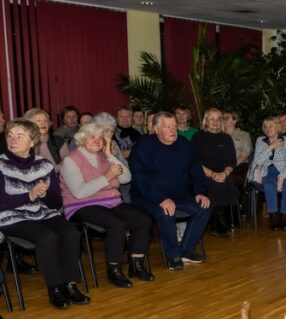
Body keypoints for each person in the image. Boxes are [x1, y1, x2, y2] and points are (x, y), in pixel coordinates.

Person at [0, 119, 89, 310]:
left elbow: (56, 203)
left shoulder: (44, 165)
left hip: (41, 213)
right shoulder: (1, 164)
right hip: (10, 216)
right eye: (10, 135)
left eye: (19, 136)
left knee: (71, 232)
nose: (12, 140)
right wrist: (29, 195)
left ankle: (69, 284)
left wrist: (45, 193)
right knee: (46, 237)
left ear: (32, 142)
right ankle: (55, 288)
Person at [60, 123, 154, 288]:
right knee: (117, 225)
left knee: (143, 220)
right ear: (82, 140)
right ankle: (114, 270)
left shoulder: (104, 156)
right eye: (92, 137)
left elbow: (126, 179)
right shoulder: (71, 160)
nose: (97, 141)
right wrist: (107, 176)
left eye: (100, 138)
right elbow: (79, 193)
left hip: (110, 201)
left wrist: (110, 155)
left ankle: (136, 264)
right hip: (81, 205)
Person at [129, 112, 211, 270]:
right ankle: (173, 256)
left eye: (174, 127)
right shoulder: (143, 146)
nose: (173, 130)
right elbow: (141, 179)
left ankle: (186, 250)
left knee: (204, 206)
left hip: (179, 195)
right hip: (148, 197)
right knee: (166, 211)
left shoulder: (184, 144)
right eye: (167, 127)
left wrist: (200, 192)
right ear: (156, 129)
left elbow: (196, 172)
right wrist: (160, 198)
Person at [191, 108, 238, 236]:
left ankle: (219, 220)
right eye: (211, 118)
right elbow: (194, 163)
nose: (215, 121)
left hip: (223, 173)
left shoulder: (226, 138)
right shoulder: (198, 137)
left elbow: (232, 161)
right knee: (215, 184)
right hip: (204, 173)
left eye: (218, 118)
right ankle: (220, 222)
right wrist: (212, 174)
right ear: (205, 121)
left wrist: (225, 173)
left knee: (229, 181)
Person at [249, 116, 286, 231]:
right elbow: (257, 161)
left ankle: (285, 217)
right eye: (265, 126)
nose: (268, 129)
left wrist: (282, 176)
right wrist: (271, 147)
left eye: (271, 126)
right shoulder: (260, 140)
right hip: (268, 172)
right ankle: (273, 217)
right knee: (269, 186)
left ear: (277, 127)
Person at [23, 108, 69, 174]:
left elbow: (68, 165)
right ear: (29, 124)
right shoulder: (23, 144)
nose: (43, 123)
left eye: (45, 120)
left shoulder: (58, 140)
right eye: (38, 121)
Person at [222, 110, 253, 187]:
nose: (224, 120)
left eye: (227, 118)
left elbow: (245, 154)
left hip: (239, 165)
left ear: (235, 121)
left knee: (231, 179)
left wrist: (231, 166)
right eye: (223, 118)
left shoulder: (244, 135)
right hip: (221, 165)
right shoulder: (219, 136)